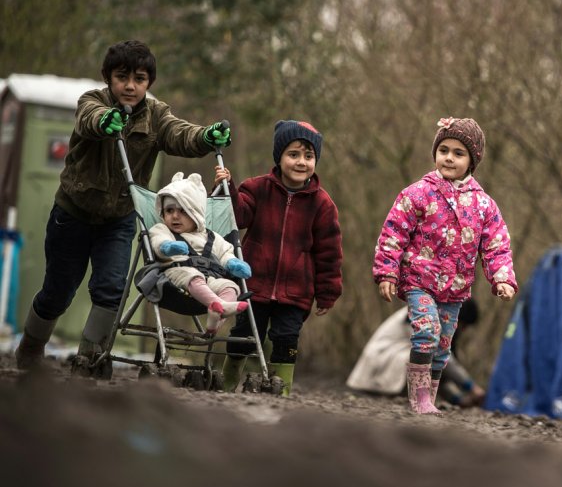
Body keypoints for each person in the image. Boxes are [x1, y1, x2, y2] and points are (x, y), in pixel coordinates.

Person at [14, 40, 233, 370]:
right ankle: (31, 348)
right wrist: (105, 122)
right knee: (58, 291)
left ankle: (90, 357)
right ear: (107, 77)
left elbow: (180, 134)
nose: (130, 86)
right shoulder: (92, 101)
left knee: (113, 288)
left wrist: (206, 137)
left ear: (149, 83)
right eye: (122, 77)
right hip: (72, 213)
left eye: (140, 79)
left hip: (118, 218)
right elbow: (90, 118)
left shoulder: (156, 115)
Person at [373, 117, 516, 415]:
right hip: (418, 280)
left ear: (472, 161)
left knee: (442, 347)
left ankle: (429, 399)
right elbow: (393, 232)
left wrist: (501, 278)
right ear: (436, 153)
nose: (449, 157)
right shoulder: (417, 194)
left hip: (455, 288)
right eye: (444, 150)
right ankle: (420, 401)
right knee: (427, 331)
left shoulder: (484, 205)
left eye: (458, 153)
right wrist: (387, 271)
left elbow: (496, 245)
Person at [215, 120, 343, 396]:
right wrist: (230, 188)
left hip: (296, 290)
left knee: (286, 340)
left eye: (309, 156)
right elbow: (238, 216)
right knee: (244, 337)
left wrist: (328, 292)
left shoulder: (322, 204)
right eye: (293, 154)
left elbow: (329, 253)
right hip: (254, 284)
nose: (301, 162)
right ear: (279, 157)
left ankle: (281, 388)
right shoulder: (258, 189)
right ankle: (228, 379)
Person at [148, 172, 251, 335]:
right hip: (176, 275)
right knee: (193, 276)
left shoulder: (211, 236)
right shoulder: (162, 229)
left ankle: (215, 319)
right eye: (169, 210)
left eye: (183, 211)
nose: (175, 216)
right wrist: (168, 247)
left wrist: (232, 263)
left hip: (211, 278)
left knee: (231, 286)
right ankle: (217, 304)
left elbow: (225, 252)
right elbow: (157, 241)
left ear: (195, 213)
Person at [346, 298, 487, 408]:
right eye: (462, 324)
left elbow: (439, 371)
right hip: (381, 359)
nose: (462, 330)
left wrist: (458, 400)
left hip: (387, 361)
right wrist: (472, 388)